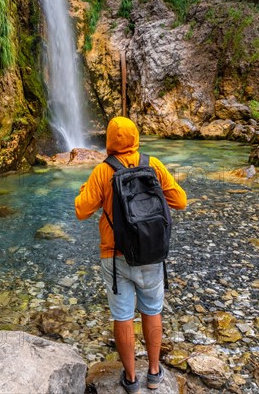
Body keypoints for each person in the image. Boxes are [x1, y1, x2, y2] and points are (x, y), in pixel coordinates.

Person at [75, 116, 187, 392]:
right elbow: (180, 201)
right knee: (152, 310)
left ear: (109, 142)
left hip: (115, 257)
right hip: (151, 253)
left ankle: (131, 379)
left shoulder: (103, 171)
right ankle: (153, 373)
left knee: (123, 316)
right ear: (136, 137)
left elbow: (81, 210)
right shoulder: (152, 164)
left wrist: (86, 192)